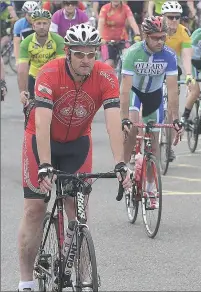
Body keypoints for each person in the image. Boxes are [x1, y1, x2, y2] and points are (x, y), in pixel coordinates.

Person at [16, 23, 132, 292]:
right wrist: (45, 165)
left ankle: (82, 277)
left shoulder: (105, 75)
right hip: (41, 141)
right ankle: (25, 282)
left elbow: (113, 121)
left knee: (77, 211)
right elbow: (42, 122)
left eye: (91, 54)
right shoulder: (49, 73)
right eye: (80, 54)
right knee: (34, 209)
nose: (86, 60)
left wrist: (120, 163)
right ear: (67, 52)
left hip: (77, 144)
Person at [120, 16, 182, 210]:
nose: (160, 42)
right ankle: (123, 168)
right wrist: (123, 118)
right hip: (135, 94)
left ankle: (149, 187)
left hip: (154, 95)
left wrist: (176, 119)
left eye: (163, 37)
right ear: (145, 36)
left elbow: (172, 90)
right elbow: (124, 89)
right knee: (132, 127)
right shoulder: (132, 53)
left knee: (153, 145)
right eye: (155, 38)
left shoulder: (170, 56)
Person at [18, 9, 64, 107]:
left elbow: (63, 65)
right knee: (30, 108)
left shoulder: (58, 40)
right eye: (38, 23)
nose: (42, 27)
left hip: (53, 78)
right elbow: (22, 69)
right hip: (34, 77)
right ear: (33, 25)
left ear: (49, 25)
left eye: (45, 23)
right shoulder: (26, 42)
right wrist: (22, 91)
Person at [98, 0, 141, 68]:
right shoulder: (105, 8)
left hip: (122, 39)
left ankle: (125, 76)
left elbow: (132, 22)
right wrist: (100, 38)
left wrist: (137, 35)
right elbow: (100, 25)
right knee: (109, 64)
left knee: (128, 58)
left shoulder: (126, 8)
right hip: (107, 41)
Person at [162, 1, 192, 81]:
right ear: (163, 17)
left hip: (172, 65)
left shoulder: (184, 32)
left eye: (177, 17)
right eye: (171, 17)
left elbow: (186, 56)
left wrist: (188, 74)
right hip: (155, 64)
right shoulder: (157, 29)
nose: (174, 20)